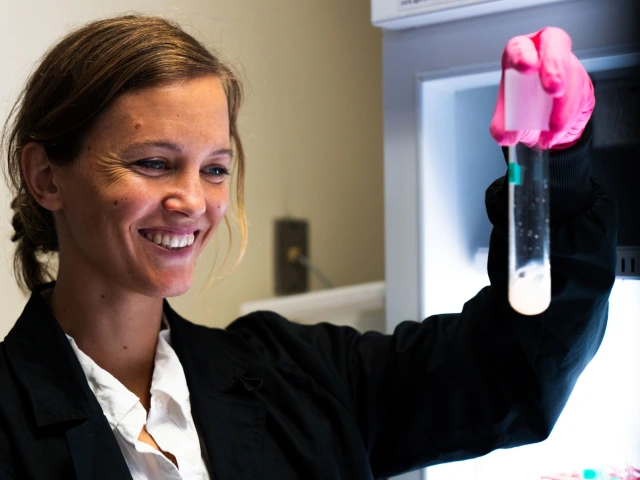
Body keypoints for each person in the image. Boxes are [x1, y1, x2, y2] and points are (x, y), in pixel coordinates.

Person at [0, 15, 615, 480]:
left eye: (214, 169)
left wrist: (553, 164)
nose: (192, 201)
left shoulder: (295, 378)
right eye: (154, 163)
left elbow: (508, 376)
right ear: (47, 177)